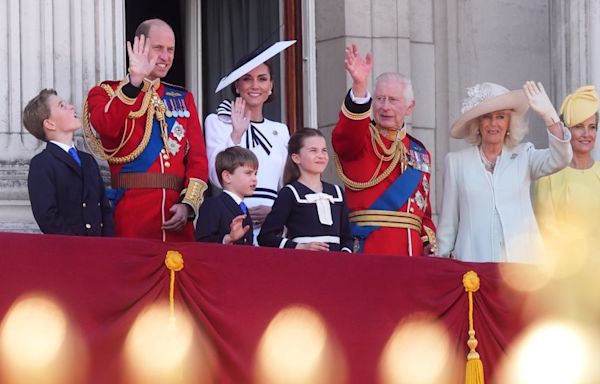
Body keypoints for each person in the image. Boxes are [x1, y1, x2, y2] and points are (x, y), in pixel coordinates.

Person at [84, 19, 208, 242]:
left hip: (176, 221)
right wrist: (134, 83)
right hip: (131, 217)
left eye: (170, 50)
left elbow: (198, 160)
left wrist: (188, 204)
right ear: (138, 47)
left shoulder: (183, 98)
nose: (166, 57)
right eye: (158, 48)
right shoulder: (106, 92)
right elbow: (106, 127)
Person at [436, 81, 572, 263]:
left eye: (500, 117)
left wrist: (550, 117)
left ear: (509, 123)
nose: (493, 124)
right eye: (487, 117)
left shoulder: (525, 155)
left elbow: (560, 159)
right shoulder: (456, 162)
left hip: (521, 269)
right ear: (477, 123)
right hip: (472, 268)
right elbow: (448, 225)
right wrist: (442, 262)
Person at [332, 44, 436, 256]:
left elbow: (423, 212)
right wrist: (360, 87)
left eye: (393, 100)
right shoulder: (362, 139)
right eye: (379, 99)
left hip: (412, 255)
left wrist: (427, 242)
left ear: (409, 107)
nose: (384, 107)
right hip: (370, 250)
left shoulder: (419, 152)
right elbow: (345, 136)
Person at [204, 41, 295, 242]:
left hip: (272, 224)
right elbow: (215, 175)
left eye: (262, 79)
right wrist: (236, 134)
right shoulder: (218, 122)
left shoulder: (280, 130)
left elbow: (288, 183)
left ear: (271, 86)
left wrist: (275, 212)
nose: (255, 85)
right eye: (247, 79)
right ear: (237, 85)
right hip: (232, 220)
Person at [24, 89, 114, 236]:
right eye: (62, 106)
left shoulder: (88, 160)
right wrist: (76, 245)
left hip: (100, 248)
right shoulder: (42, 164)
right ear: (50, 124)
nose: (71, 107)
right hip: (68, 250)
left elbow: (104, 208)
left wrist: (107, 244)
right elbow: (48, 217)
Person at [258, 128, 353, 252]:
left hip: (336, 266)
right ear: (296, 158)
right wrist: (298, 246)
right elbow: (266, 237)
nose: (321, 156)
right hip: (303, 264)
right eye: (313, 151)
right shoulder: (290, 192)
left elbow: (347, 237)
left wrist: (345, 254)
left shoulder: (337, 192)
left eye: (324, 150)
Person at [533, 85, 600, 248]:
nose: (587, 134)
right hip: (568, 269)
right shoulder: (547, 176)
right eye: (578, 126)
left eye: (592, 127)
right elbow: (547, 235)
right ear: (566, 130)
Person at [195, 146, 257, 245]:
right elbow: (202, 242)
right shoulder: (213, 205)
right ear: (227, 177)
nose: (254, 178)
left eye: (255, 173)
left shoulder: (244, 209)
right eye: (248, 173)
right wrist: (227, 239)